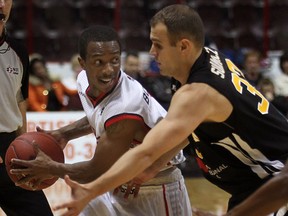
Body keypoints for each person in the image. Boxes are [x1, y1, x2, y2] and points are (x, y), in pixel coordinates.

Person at [51, 4, 288, 216]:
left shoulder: (198, 93)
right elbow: (186, 131)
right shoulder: (204, 61)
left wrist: (91, 190)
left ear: (183, 46)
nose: (152, 52)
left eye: (158, 45)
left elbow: (145, 152)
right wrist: (152, 168)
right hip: (253, 184)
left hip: (276, 178)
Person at [11, 25, 192, 216]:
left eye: (114, 61)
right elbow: (99, 116)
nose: (109, 70)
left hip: (155, 186)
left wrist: (51, 168)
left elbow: (95, 170)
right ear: (83, 63)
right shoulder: (84, 81)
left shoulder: (127, 105)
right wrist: (65, 133)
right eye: (99, 62)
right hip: (117, 180)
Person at [0, 0, 53, 215]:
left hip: (10, 150)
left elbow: (20, 100)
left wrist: (25, 145)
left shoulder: (19, 51)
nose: (1, 4)